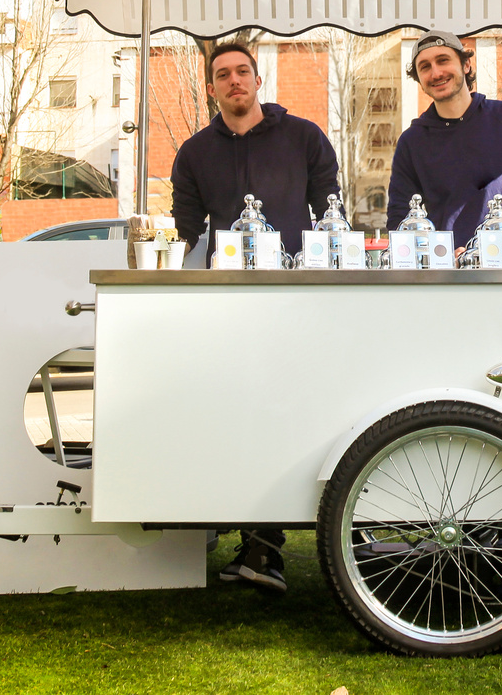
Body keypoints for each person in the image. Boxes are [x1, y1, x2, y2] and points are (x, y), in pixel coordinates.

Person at [169, 39, 339, 593]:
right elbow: (188, 234)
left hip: (298, 299)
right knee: (234, 411)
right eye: (223, 74)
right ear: (212, 87)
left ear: (258, 79)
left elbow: (330, 214)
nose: (234, 81)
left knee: (299, 409)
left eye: (243, 71)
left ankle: (314, 533)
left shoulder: (305, 137)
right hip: (226, 305)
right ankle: (259, 547)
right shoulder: (193, 154)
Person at [386, 31, 502, 250]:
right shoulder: (411, 142)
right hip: (443, 274)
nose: (436, 72)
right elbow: (400, 219)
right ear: (419, 79)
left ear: (466, 65)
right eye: (425, 67)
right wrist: (441, 258)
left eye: (443, 60)